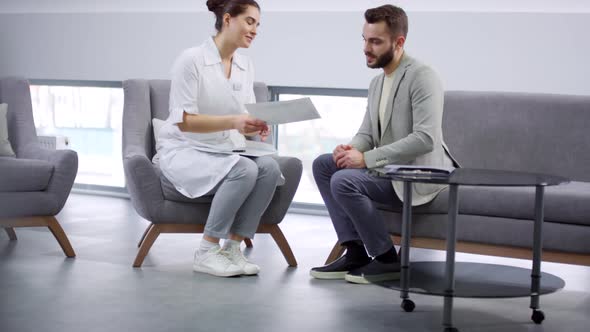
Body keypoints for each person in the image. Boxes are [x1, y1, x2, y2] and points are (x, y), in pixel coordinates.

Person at [310, 5, 457, 284]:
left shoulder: (423, 76)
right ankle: (354, 251)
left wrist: (365, 159)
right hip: (390, 169)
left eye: (375, 41)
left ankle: (388, 259)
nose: (367, 48)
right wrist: (351, 148)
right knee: (324, 166)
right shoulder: (377, 83)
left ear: (398, 42)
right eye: (365, 39)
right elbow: (367, 133)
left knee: (344, 181)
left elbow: (426, 138)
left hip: (418, 174)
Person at [156, 0, 281, 277]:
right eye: (250, 21)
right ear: (227, 20)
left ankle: (232, 249)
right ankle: (206, 251)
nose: (255, 30)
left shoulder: (245, 65)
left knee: (270, 167)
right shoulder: (191, 60)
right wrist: (236, 122)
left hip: (223, 149)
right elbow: (184, 121)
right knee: (245, 168)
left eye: (258, 24)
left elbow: (242, 118)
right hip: (185, 149)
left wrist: (253, 126)